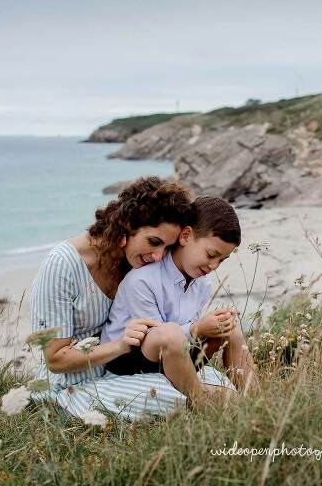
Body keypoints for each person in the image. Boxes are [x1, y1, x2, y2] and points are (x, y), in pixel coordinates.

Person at [30, 177, 233, 421]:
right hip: (71, 383)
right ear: (127, 224)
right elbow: (55, 360)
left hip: (120, 371)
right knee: (175, 397)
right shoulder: (62, 264)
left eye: (166, 248)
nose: (158, 256)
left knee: (218, 385)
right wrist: (119, 346)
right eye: (154, 242)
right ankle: (203, 405)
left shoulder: (132, 259)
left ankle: (209, 399)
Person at [101, 196, 259, 402]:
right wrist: (197, 329)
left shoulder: (202, 284)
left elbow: (181, 341)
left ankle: (255, 398)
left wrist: (211, 328)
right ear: (185, 236)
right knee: (170, 333)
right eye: (211, 255)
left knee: (230, 327)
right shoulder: (141, 280)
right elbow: (158, 337)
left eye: (221, 260)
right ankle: (199, 400)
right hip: (130, 358)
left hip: (176, 353)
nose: (213, 266)